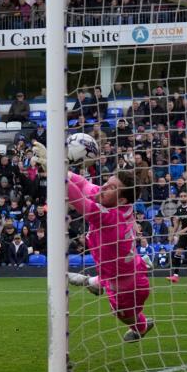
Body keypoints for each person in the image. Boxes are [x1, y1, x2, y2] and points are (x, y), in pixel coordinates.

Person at [35, 142, 154, 342]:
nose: (104, 186)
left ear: (122, 200)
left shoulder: (111, 217)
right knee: (113, 280)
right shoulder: (109, 198)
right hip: (125, 271)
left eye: (112, 187)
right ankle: (97, 282)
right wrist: (61, 168)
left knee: (123, 316)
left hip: (128, 287)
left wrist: (55, 170)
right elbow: (82, 184)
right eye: (108, 181)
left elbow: (77, 200)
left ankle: (141, 327)